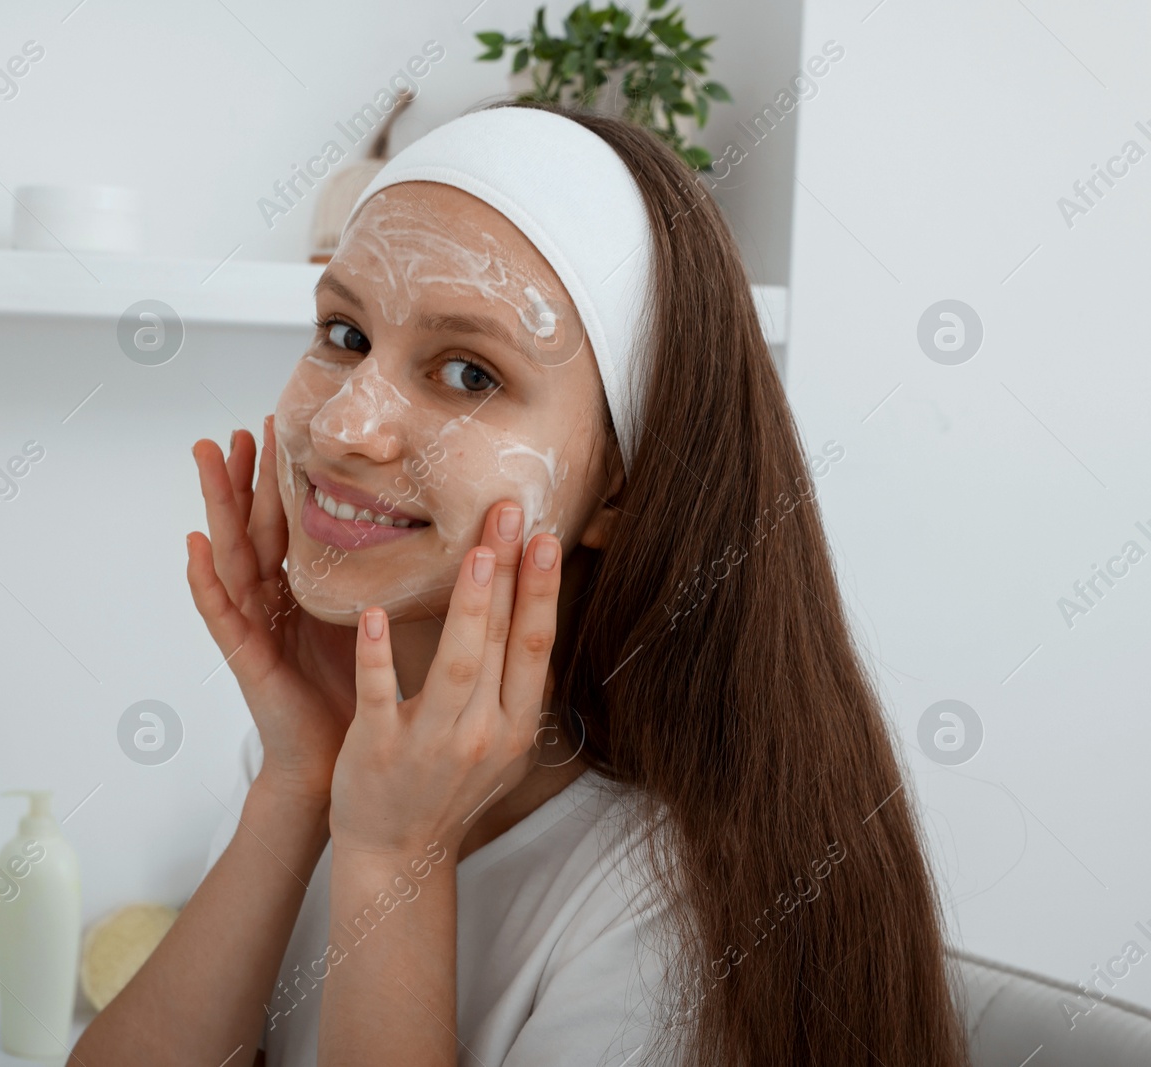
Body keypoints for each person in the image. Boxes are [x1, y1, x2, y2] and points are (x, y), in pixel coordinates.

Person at [70, 100, 968, 1067]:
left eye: (466, 373)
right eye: (344, 332)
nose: (341, 426)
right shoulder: (331, 759)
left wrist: (396, 859)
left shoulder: (662, 905)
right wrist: (296, 782)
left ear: (621, 485)